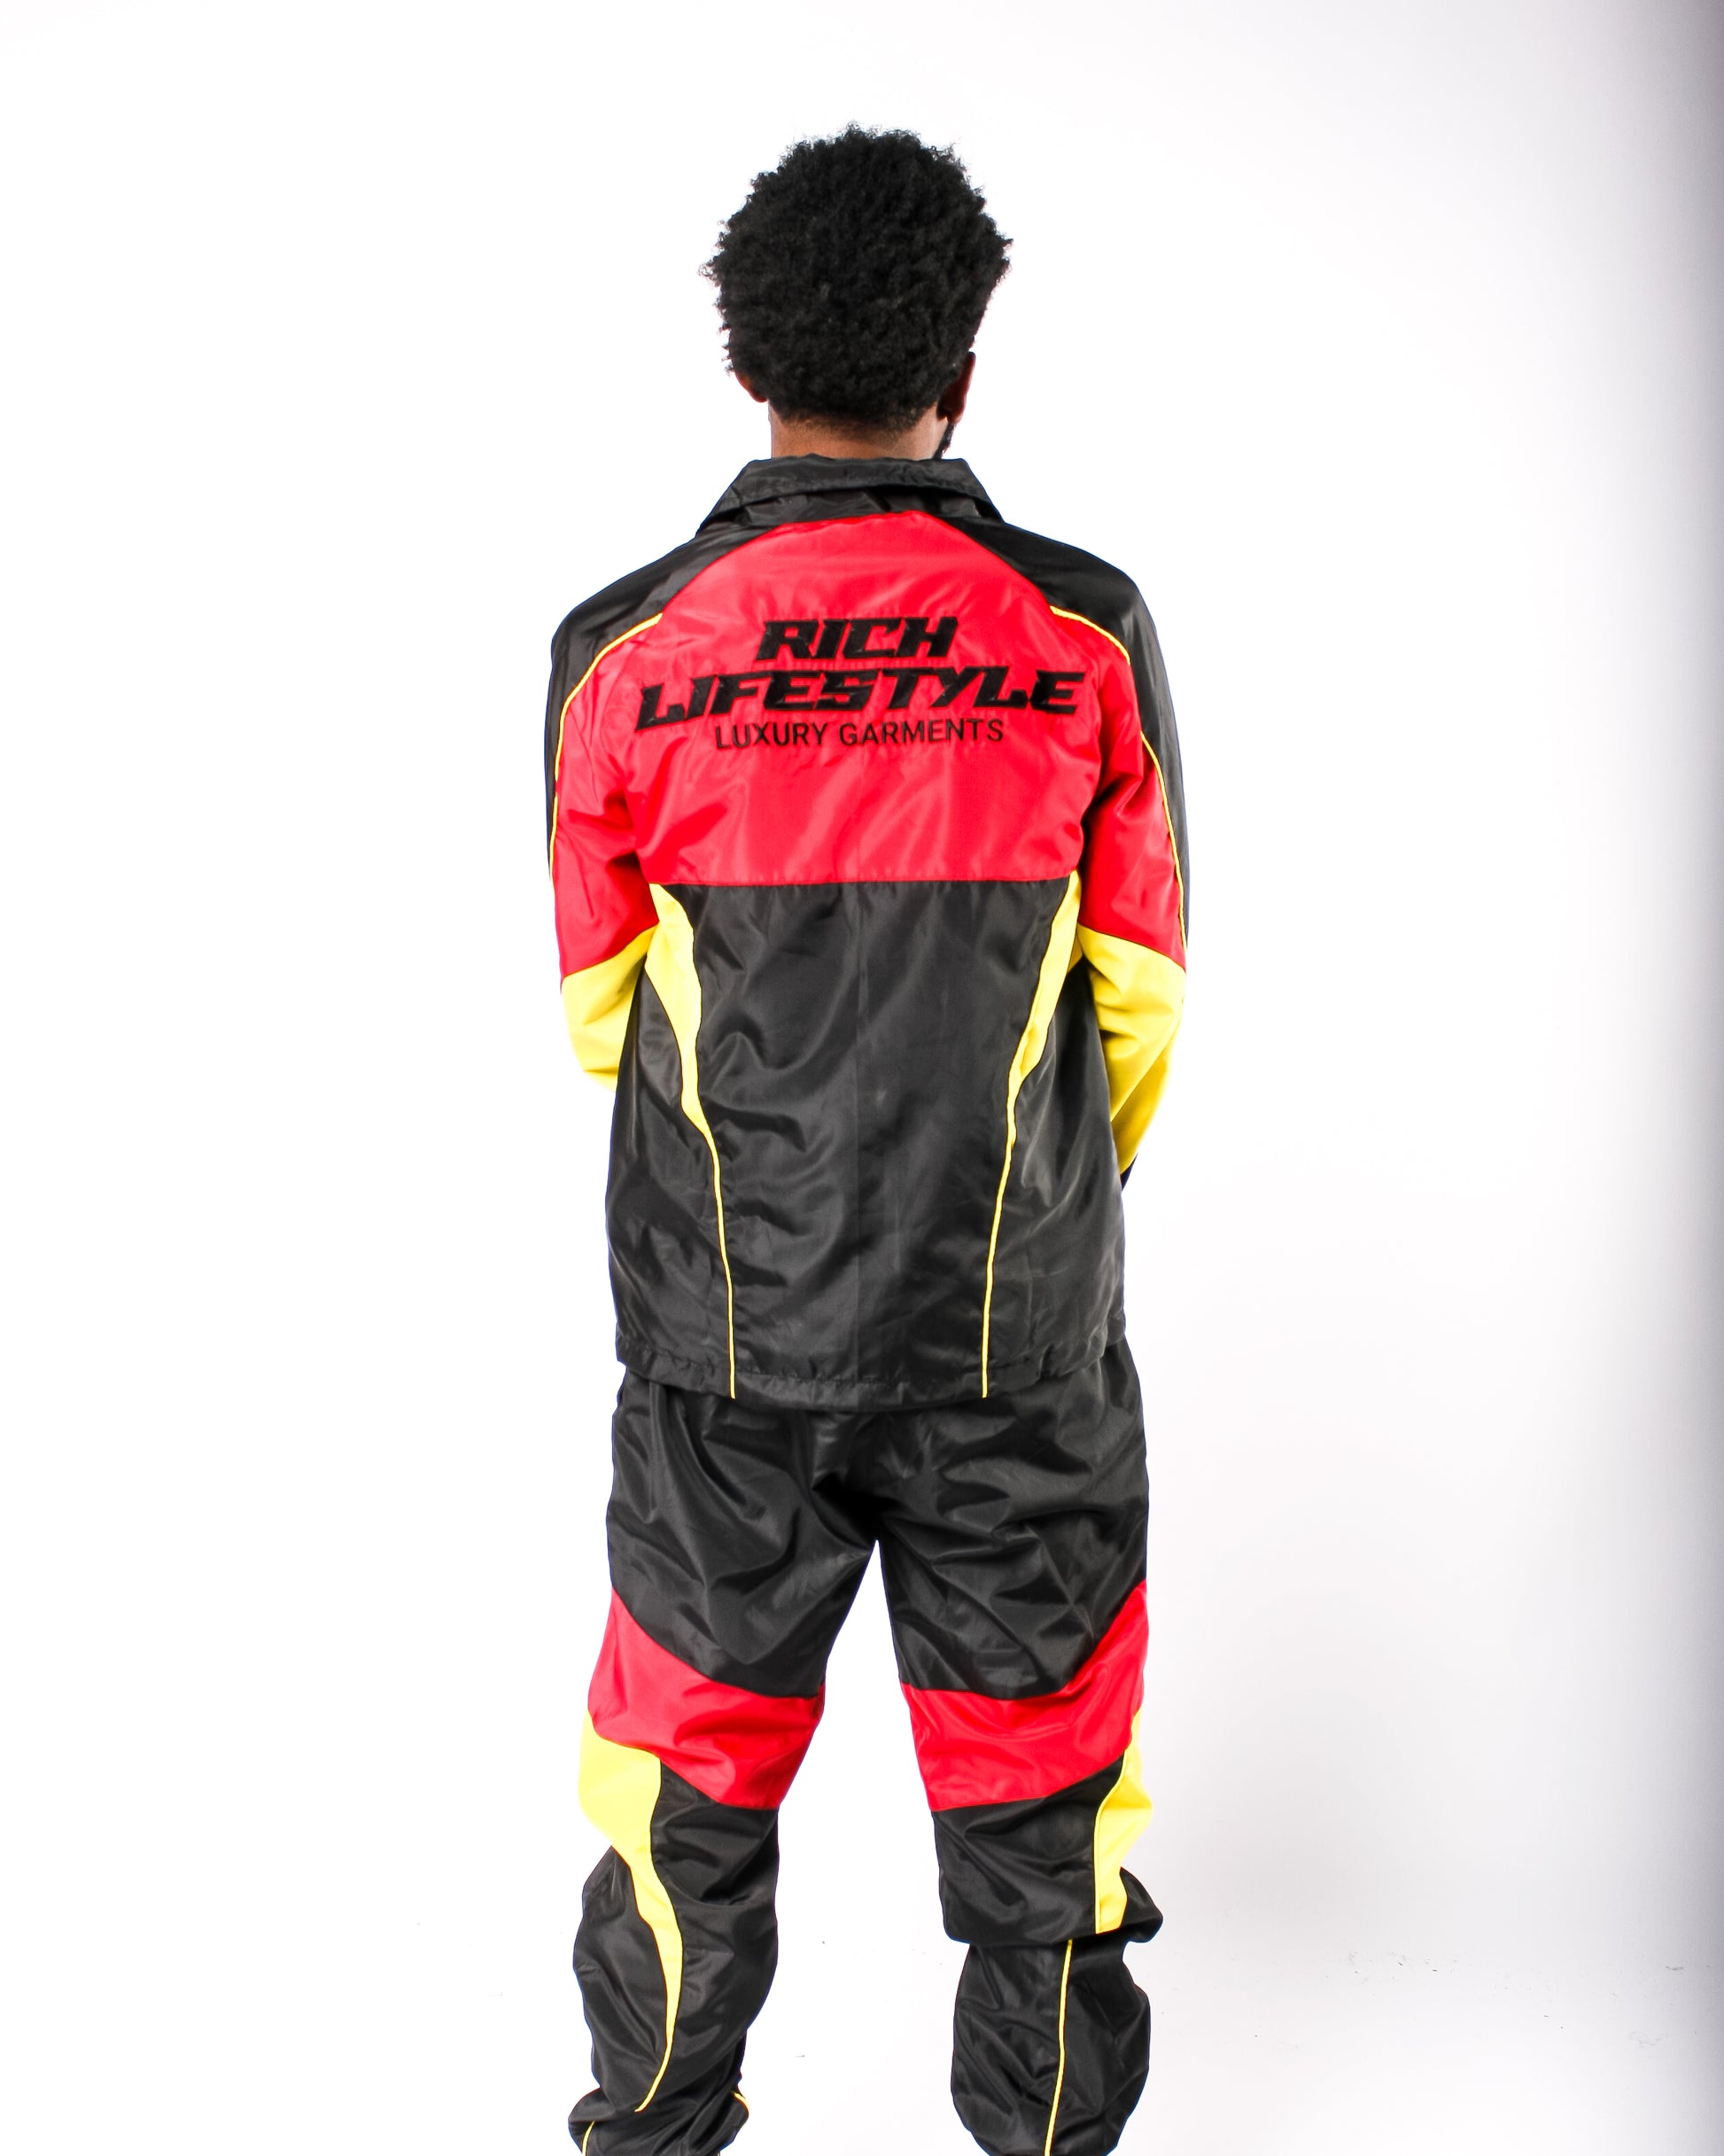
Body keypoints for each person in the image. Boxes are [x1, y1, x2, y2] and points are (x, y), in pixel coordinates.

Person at [544, 126, 1188, 2156]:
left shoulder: (620, 649)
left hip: (722, 1356)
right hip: (1017, 1349)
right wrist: (1024, 1225)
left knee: (681, 1790)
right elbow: (1138, 1005)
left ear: (747, 365)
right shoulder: (1082, 632)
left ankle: (653, 2132)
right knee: (1044, 1806)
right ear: (961, 372)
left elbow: (602, 1015)